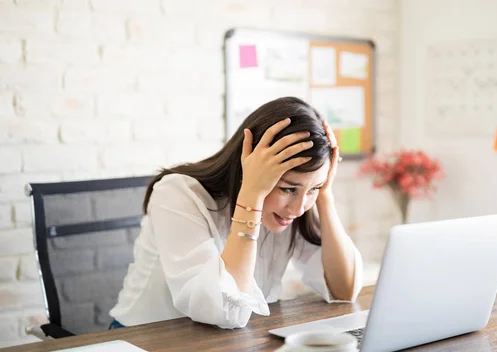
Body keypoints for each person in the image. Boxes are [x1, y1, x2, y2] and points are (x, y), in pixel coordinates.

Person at [109, 96, 363, 329]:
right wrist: (252, 193)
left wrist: (324, 195)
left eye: (314, 188)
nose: (298, 208)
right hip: (143, 343)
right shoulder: (177, 193)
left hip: (229, 345)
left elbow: (343, 291)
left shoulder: (299, 205)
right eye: (287, 189)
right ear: (250, 169)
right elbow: (222, 311)